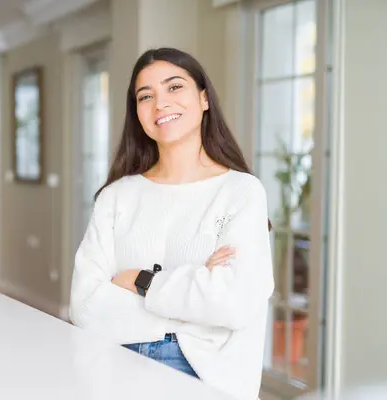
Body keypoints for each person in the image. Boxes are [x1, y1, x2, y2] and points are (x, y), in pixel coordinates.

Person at [68, 47, 274, 400]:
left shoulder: (241, 192)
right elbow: (84, 306)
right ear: (137, 112)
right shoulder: (116, 196)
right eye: (145, 96)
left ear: (204, 98)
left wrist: (141, 281)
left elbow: (233, 303)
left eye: (174, 87)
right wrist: (194, 292)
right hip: (115, 364)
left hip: (204, 375)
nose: (160, 103)